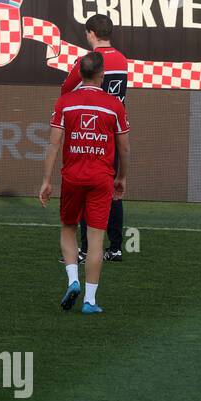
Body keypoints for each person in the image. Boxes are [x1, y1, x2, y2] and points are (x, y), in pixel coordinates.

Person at [39, 51, 130, 314]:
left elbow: (54, 143)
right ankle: (90, 300)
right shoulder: (114, 106)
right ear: (102, 75)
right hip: (102, 178)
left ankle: (73, 280)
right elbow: (124, 149)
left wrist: (46, 180)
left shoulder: (65, 102)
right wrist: (121, 177)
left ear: (79, 74)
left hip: (72, 177)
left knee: (68, 228)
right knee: (96, 238)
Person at [60, 13, 129, 262]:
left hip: (91, 134)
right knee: (112, 190)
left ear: (91, 33)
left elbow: (66, 90)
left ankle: (86, 248)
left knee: (86, 188)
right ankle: (117, 246)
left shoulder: (89, 61)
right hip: (114, 130)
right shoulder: (122, 60)